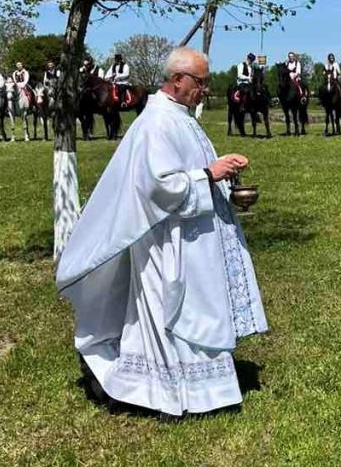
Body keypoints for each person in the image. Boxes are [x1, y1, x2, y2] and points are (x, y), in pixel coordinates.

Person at [56, 46, 268, 418]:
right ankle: (160, 390)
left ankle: (200, 389)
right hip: (165, 240)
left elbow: (189, 167)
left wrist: (219, 168)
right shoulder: (157, 122)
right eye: (200, 82)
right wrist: (208, 175)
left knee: (199, 304)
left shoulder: (180, 116)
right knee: (172, 309)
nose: (205, 89)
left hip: (189, 233)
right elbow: (158, 186)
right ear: (177, 80)